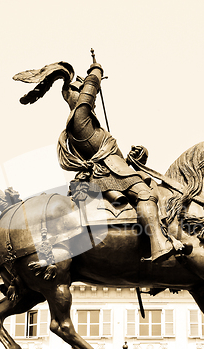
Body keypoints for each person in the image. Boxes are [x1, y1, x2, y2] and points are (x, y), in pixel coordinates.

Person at [57, 60, 186, 263]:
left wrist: (136, 157)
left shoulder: (92, 128)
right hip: (107, 175)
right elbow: (89, 95)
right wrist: (96, 72)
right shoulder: (79, 121)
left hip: (116, 171)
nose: (93, 103)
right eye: (86, 97)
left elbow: (118, 160)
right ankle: (158, 244)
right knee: (145, 194)